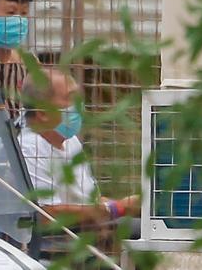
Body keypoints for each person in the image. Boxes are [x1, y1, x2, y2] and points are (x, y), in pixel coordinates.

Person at [18, 68, 140, 230]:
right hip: (61, 238)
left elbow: (90, 201)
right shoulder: (30, 147)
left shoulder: (70, 142)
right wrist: (118, 208)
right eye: (71, 98)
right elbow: (46, 215)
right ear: (43, 113)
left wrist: (125, 205)